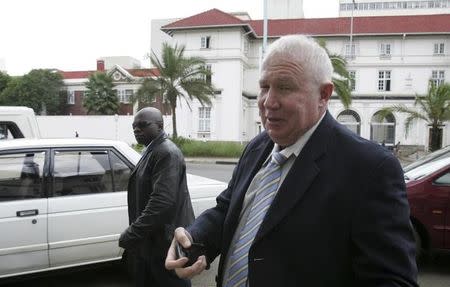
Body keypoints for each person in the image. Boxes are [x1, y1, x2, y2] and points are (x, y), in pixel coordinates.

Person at [165, 35, 418, 286]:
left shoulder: (370, 169)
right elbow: (227, 209)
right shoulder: (257, 146)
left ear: (324, 94)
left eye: (285, 87)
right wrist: (193, 239)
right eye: (264, 87)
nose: (268, 102)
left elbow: (393, 280)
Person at [119, 107, 194, 287]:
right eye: (134, 126)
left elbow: (162, 202)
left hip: (165, 244)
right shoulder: (152, 150)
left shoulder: (166, 152)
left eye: (143, 125)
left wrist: (133, 233)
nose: (137, 130)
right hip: (153, 243)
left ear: (160, 126)